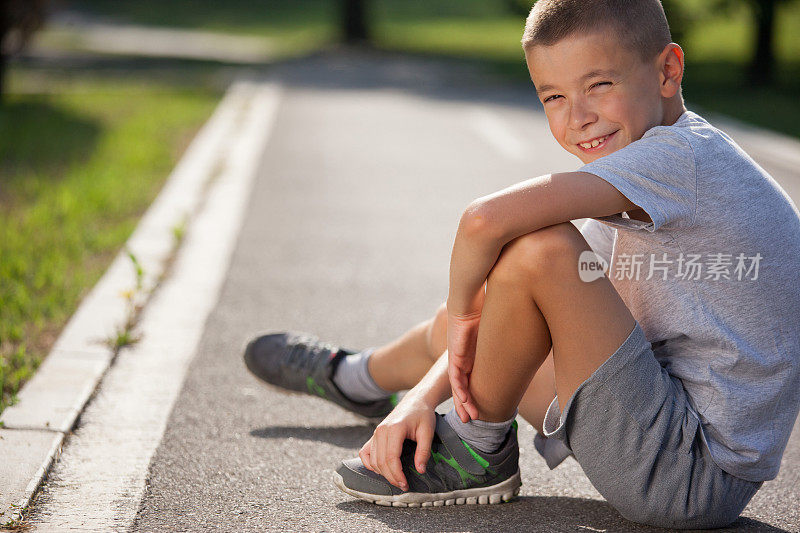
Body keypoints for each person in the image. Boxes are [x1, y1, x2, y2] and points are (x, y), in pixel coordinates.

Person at [243, 0, 800, 528]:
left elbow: (482, 221)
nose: (578, 118)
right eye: (553, 97)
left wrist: (464, 326)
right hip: (657, 427)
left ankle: (476, 448)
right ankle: (360, 381)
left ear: (667, 71)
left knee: (538, 251)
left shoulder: (682, 159)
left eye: (599, 85)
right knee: (501, 300)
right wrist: (421, 396)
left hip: (689, 475)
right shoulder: (656, 168)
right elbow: (513, 299)